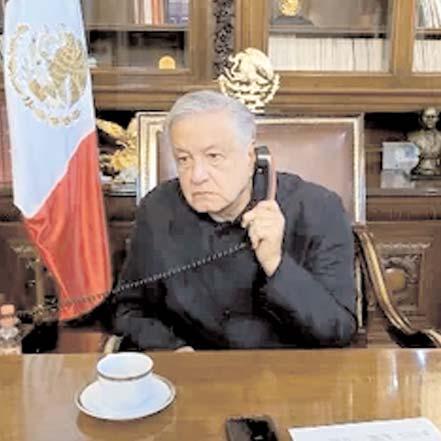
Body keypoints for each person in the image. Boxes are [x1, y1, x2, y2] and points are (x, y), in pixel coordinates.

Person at [113, 90, 356, 350]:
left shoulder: (318, 209)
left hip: (287, 368)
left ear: (250, 158)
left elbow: (338, 330)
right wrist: (173, 349)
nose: (197, 176)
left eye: (214, 157)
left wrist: (276, 263)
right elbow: (127, 311)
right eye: (184, 159)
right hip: (195, 367)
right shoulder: (158, 209)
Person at [408, 107, 441, 177]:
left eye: (433, 117)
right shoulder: (412, 136)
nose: (430, 120)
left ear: (437, 119)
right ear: (420, 119)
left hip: (437, 171)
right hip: (418, 171)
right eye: (427, 117)